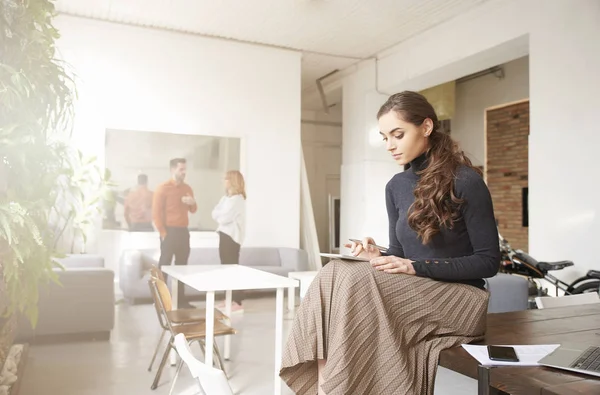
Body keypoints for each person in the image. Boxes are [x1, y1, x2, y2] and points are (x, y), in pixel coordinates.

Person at [280, 91, 500, 395]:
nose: (390, 145)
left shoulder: (467, 181)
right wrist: (376, 255)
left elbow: (489, 262)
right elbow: (400, 254)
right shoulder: (396, 186)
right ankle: (327, 388)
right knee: (336, 271)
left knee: (346, 279)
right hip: (418, 287)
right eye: (385, 137)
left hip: (460, 298)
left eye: (398, 134)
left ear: (426, 127)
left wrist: (413, 267)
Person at [152, 158, 197, 307]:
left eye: (185, 169)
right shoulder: (162, 188)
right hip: (168, 232)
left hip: (183, 232)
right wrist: (163, 234)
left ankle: (180, 300)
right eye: (181, 169)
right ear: (172, 170)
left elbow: (194, 210)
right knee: (164, 266)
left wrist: (192, 203)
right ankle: (161, 300)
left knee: (182, 267)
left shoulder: (187, 188)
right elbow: (156, 214)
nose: (184, 172)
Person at [212, 170, 246, 313]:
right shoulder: (226, 199)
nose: (223, 181)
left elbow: (223, 218)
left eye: (226, 179)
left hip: (232, 238)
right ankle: (228, 299)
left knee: (232, 270)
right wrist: (221, 216)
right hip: (223, 236)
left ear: (232, 181)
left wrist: (221, 217)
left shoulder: (238, 199)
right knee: (225, 269)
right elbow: (214, 213)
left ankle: (237, 301)